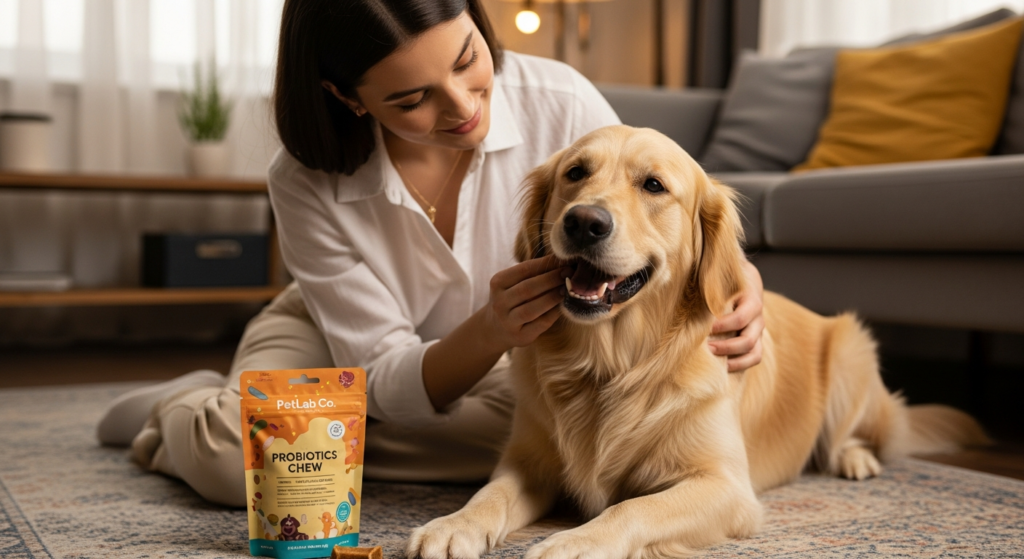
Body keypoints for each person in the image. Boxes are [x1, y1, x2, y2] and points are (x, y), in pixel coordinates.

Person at [96, 0, 765, 507]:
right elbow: (383, 375)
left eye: (468, 57)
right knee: (242, 466)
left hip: (507, 363)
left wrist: (743, 280)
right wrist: (489, 328)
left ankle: (296, 427)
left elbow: (659, 210)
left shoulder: (560, 101)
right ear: (345, 97)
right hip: (336, 342)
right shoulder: (302, 181)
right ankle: (188, 411)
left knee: (573, 453)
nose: (464, 107)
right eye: (412, 99)